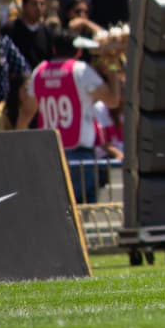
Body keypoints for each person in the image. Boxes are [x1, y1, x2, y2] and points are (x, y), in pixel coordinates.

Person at [20, 29, 122, 203]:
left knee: (56, 211)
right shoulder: (81, 70)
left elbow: (27, 112)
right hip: (80, 156)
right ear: (79, 51)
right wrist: (112, 65)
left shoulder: (39, 71)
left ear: (54, 50)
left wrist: (19, 140)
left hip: (49, 155)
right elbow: (113, 100)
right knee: (82, 213)